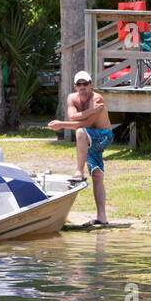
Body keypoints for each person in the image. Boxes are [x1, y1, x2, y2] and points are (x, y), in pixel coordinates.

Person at [47, 70, 111, 226]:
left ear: (91, 84)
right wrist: (90, 112)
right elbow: (73, 117)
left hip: (104, 135)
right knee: (97, 175)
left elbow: (85, 124)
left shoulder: (97, 98)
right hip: (89, 136)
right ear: (75, 86)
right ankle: (102, 217)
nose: (83, 87)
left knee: (81, 132)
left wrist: (61, 124)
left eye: (86, 83)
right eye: (79, 84)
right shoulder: (71, 98)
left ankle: (79, 171)